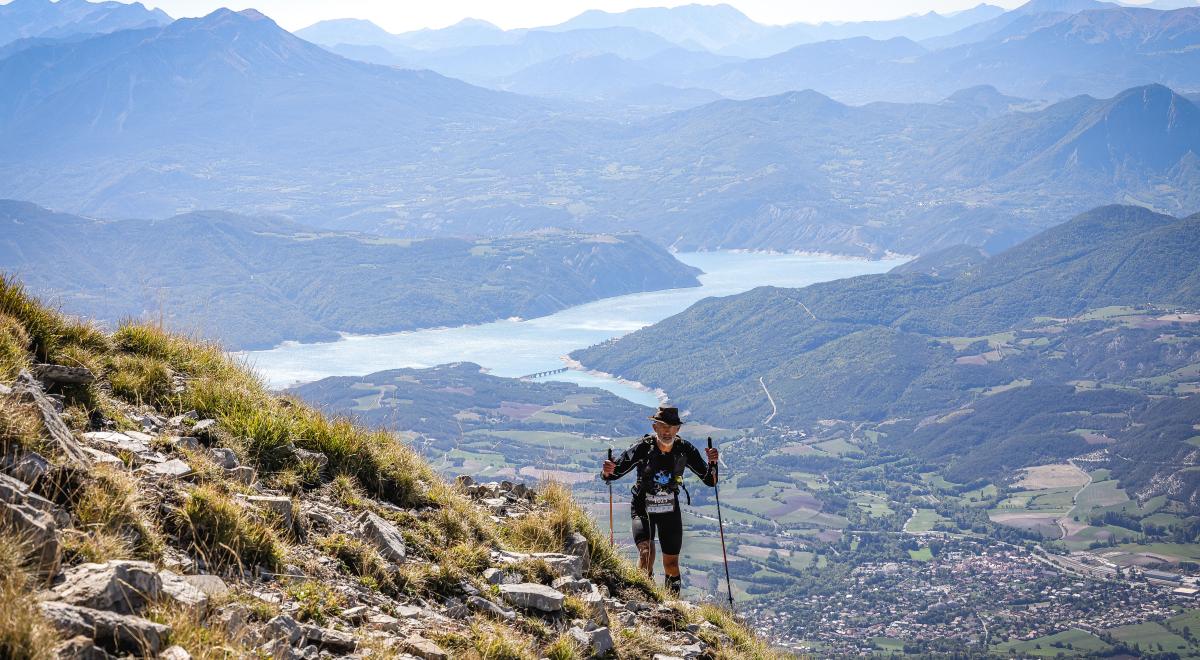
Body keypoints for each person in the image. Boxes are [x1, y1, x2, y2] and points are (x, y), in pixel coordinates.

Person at [602, 405, 718, 595]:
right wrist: (606, 471)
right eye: (663, 426)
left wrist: (714, 464)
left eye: (672, 426)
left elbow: (710, 480)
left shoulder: (684, 449)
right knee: (646, 553)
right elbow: (614, 474)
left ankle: (672, 606)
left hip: (669, 511)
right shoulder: (642, 448)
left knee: (671, 564)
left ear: (678, 429)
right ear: (655, 427)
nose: (667, 431)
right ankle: (643, 599)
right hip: (643, 507)